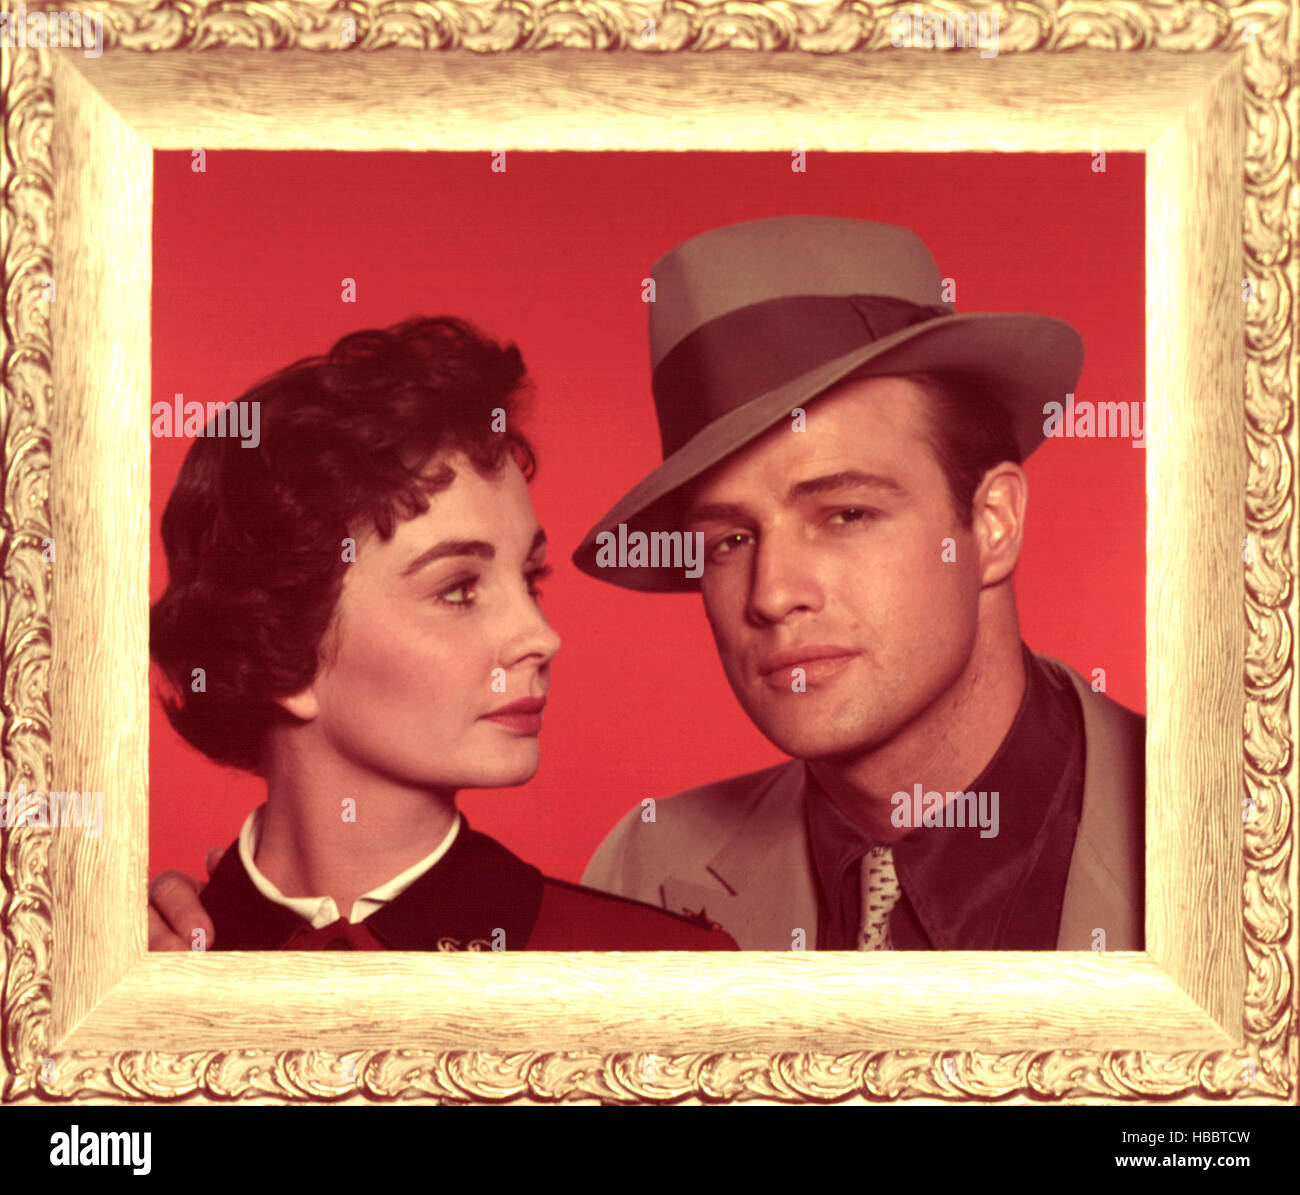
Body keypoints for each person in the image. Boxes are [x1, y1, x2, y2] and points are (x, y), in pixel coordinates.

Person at [571, 216, 1144, 951]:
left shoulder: (1233, 842)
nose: (773, 594)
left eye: (845, 513)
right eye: (731, 539)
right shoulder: (641, 874)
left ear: (992, 523)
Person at [148, 315, 734, 952]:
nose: (541, 636)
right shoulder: (115, 968)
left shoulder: (657, 970)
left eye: (531, 578)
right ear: (280, 656)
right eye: (459, 590)